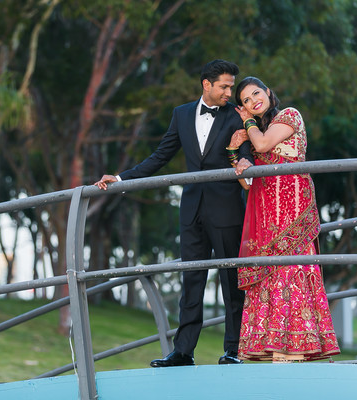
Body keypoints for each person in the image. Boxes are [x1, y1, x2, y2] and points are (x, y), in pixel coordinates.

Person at [94, 59, 252, 366]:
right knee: (191, 279)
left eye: (231, 86)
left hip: (228, 208)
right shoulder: (181, 114)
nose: (229, 91)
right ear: (206, 84)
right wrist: (122, 178)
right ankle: (183, 351)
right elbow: (161, 155)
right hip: (192, 209)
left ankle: (233, 350)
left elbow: (245, 155)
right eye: (225, 86)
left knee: (231, 281)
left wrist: (244, 163)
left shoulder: (236, 115)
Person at [230, 76, 340, 363]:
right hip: (267, 217)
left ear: (267, 92)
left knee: (293, 270)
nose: (253, 100)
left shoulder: (289, 115)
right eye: (245, 101)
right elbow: (247, 184)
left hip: (293, 211)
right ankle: (274, 347)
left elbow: (265, 144)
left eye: (256, 93)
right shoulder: (258, 132)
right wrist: (236, 155)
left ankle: (299, 348)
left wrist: (248, 125)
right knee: (271, 273)